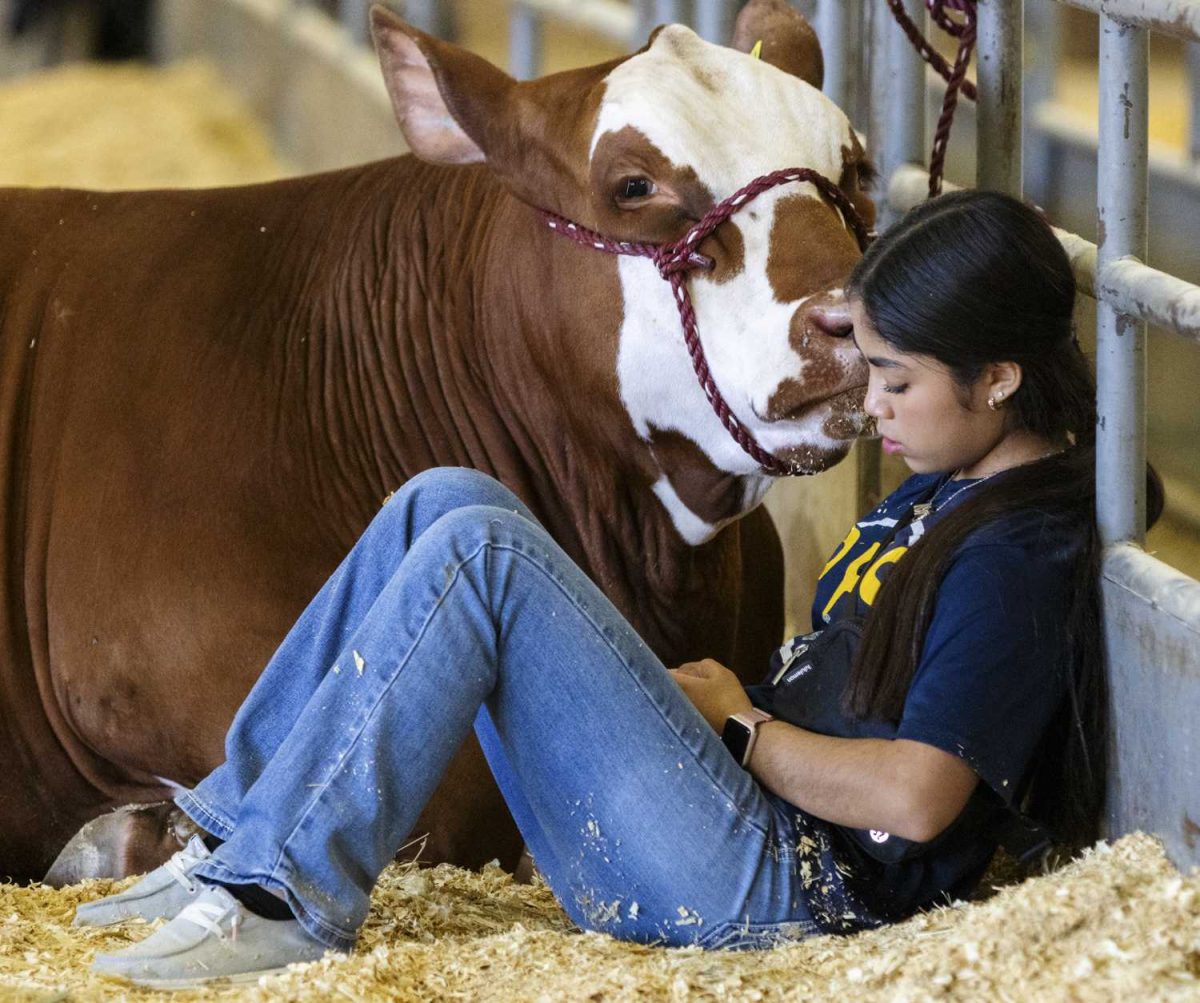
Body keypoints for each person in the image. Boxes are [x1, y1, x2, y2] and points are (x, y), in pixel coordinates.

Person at [79, 190, 1142, 989]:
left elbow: (919, 797)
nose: (870, 404)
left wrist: (738, 730)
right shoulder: (955, 481)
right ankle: (238, 839)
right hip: (740, 824)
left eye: (895, 379)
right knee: (446, 497)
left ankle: (282, 900)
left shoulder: (1014, 556)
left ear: (998, 377)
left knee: (482, 557)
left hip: (793, 893)